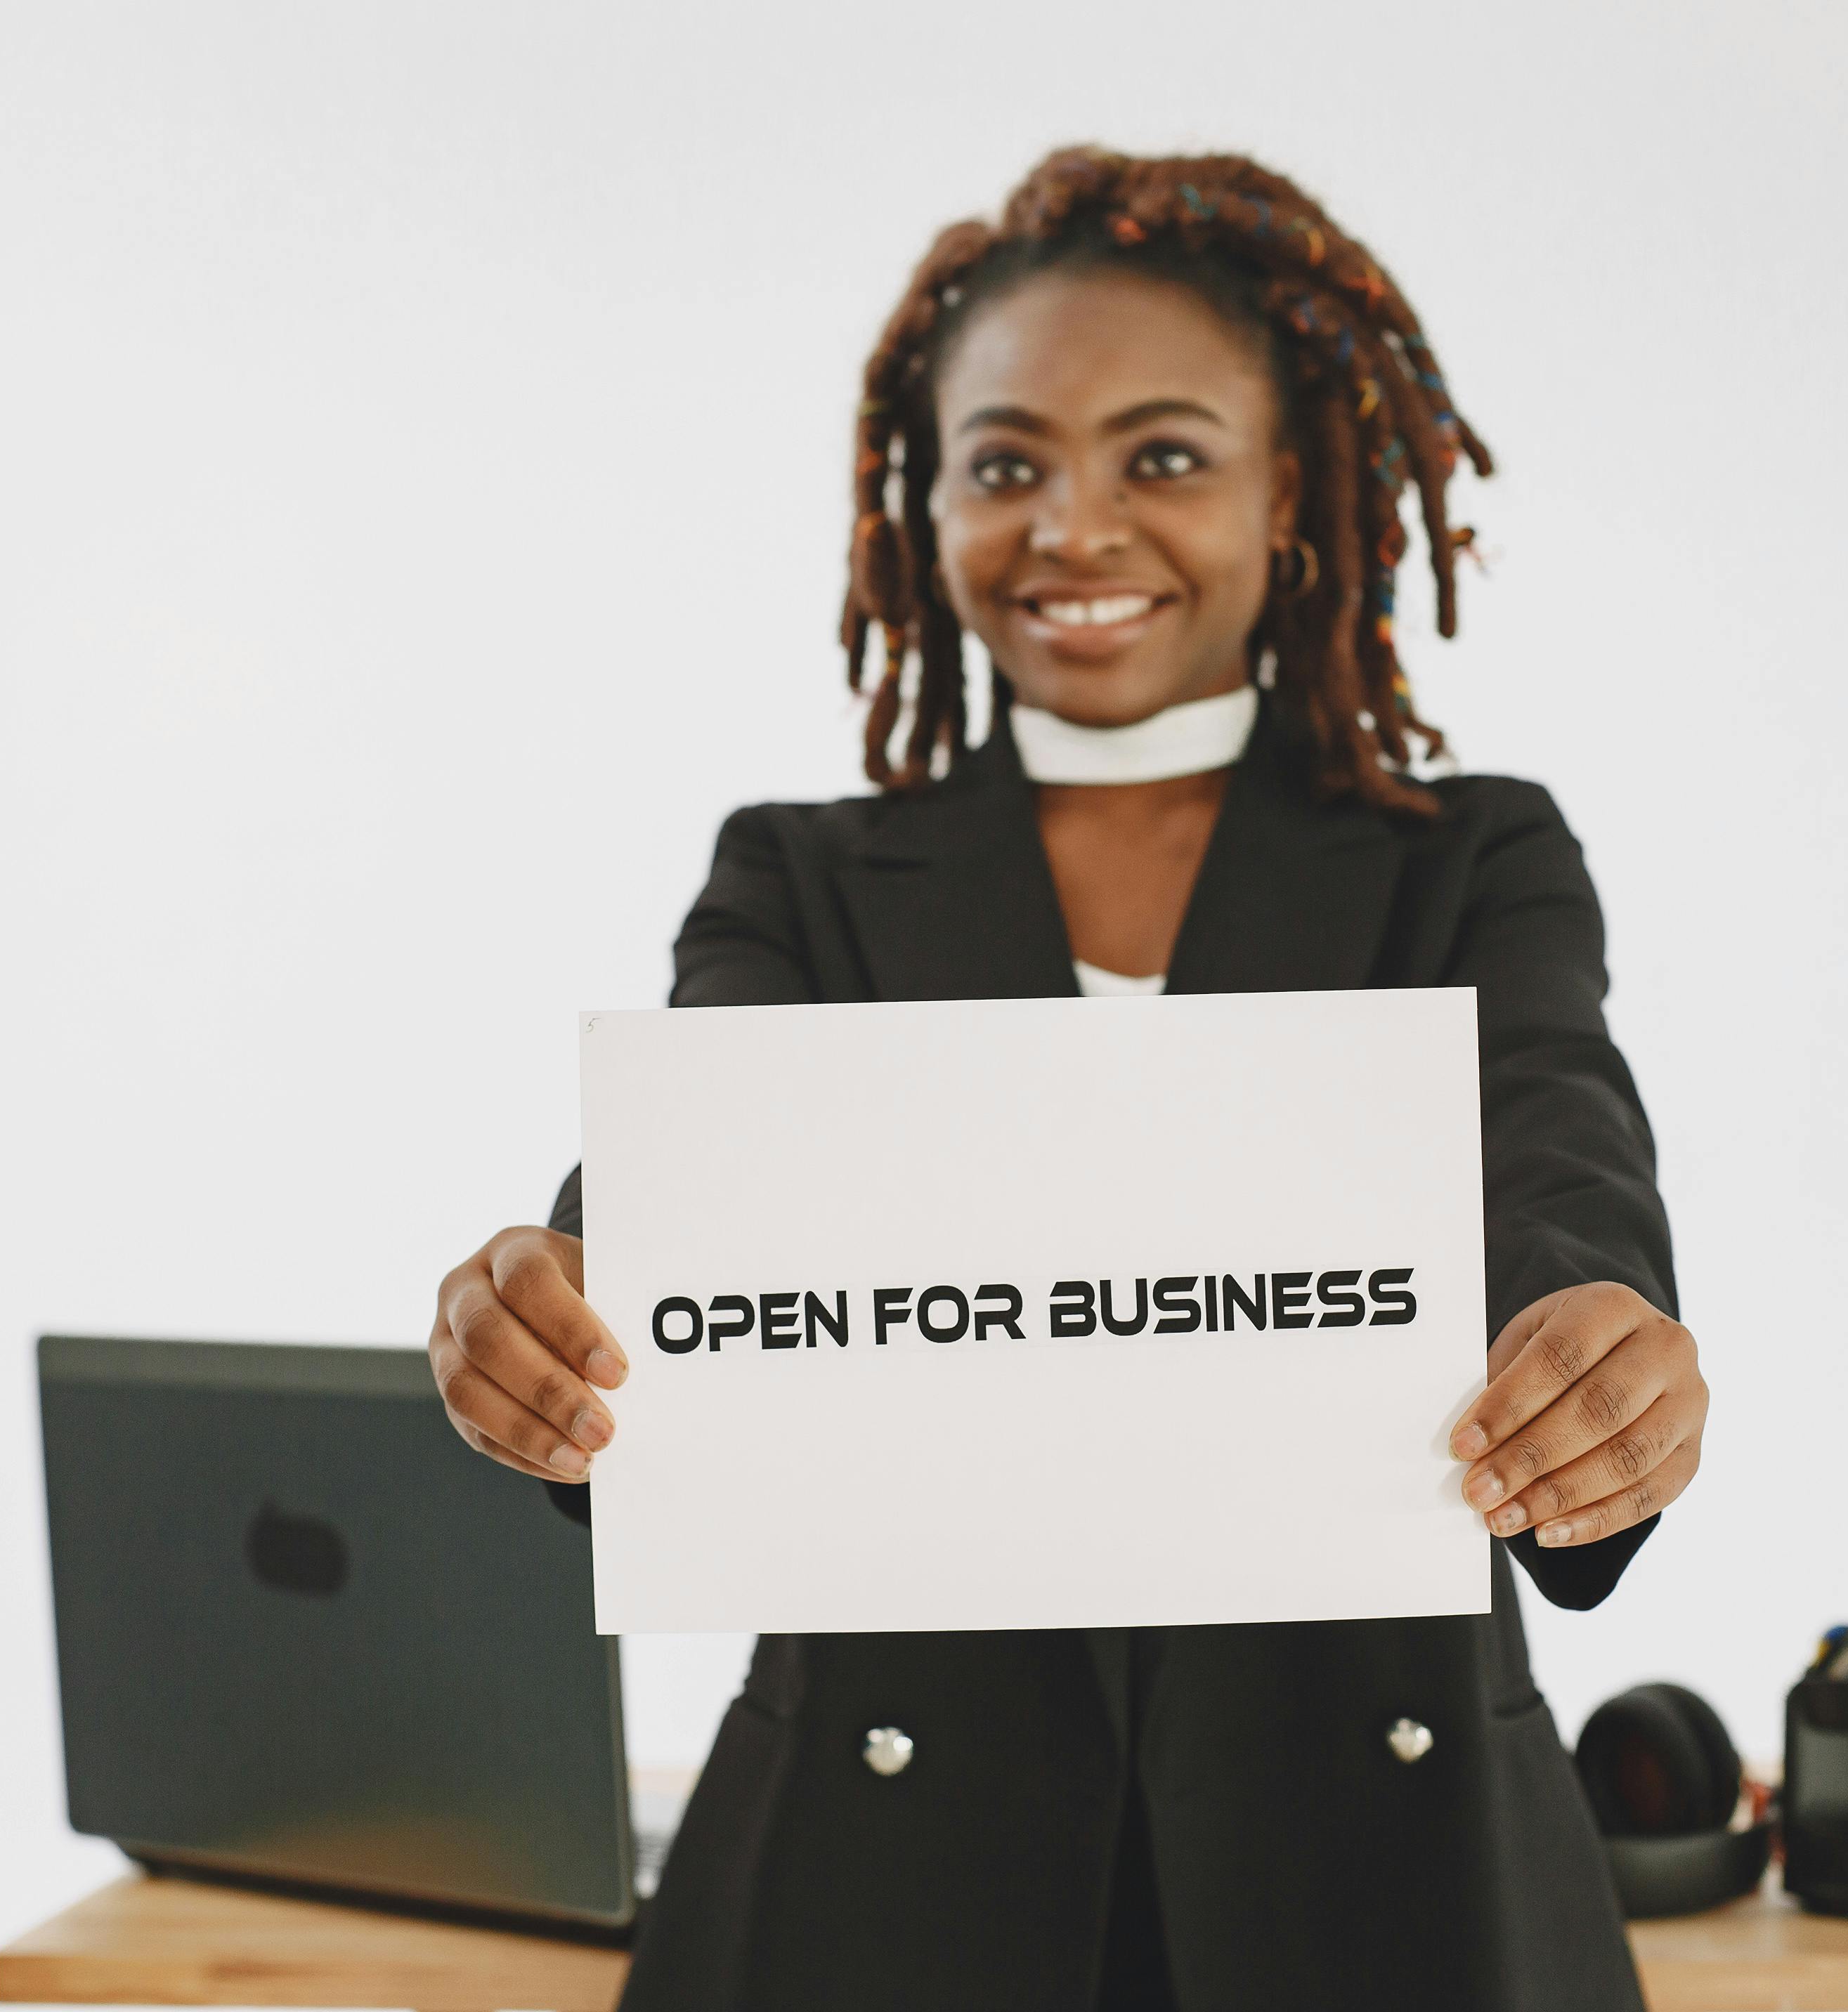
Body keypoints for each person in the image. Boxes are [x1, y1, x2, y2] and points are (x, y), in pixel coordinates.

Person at [426, 148, 1710, 2012]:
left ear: (1292, 501)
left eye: (1164, 457)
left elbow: (1556, 1146)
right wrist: (549, 1313)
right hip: (875, 1896)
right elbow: (681, 1192)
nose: (1075, 528)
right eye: (1007, 463)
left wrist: (1605, 1349)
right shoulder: (798, 876)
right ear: (925, 502)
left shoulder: (1471, 858)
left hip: (1384, 1884)